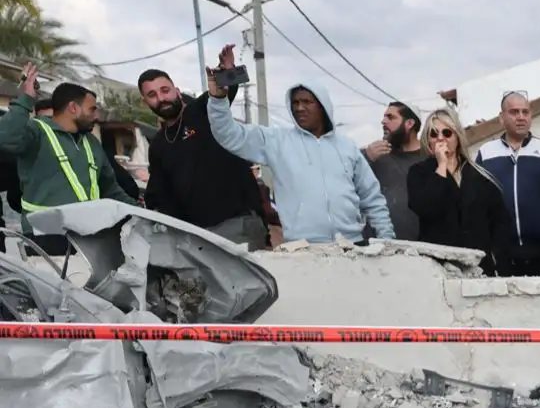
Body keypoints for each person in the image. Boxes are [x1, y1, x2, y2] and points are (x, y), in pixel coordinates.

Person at [207, 74, 392, 243]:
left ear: (322, 105)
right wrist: (218, 99)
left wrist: (386, 239)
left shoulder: (347, 146)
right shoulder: (278, 141)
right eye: (295, 103)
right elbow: (229, 134)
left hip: (352, 245)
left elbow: (371, 197)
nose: (299, 108)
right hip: (304, 250)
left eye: (306, 102)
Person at [140, 47, 269, 248]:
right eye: (152, 95)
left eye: (165, 90)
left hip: (238, 223)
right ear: (145, 101)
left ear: (177, 90)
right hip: (197, 236)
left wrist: (228, 70)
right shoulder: (157, 145)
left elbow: (223, 92)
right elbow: (159, 194)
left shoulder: (201, 111)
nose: (161, 98)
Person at [0, 63, 133, 254]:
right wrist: (25, 99)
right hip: (44, 240)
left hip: (90, 239)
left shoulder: (91, 143)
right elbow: (5, 137)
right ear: (73, 108)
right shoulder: (37, 132)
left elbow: (110, 189)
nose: (96, 115)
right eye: (92, 109)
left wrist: (140, 214)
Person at [472, 89, 540, 275]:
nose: (521, 117)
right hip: (502, 255)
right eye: (514, 112)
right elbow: (476, 204)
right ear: (501, 118)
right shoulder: (486, 153)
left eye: (525, 112)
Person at [406, 108, 505, 271]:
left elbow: (499, 223)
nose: (440, 138)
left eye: (446, 133)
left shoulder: (479, 175)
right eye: (433, 133)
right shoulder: (418, 172)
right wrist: (442, 165)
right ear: (427, 139)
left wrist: (499, 262)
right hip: (439, 266)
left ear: (457, 136)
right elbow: (425, 207)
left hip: (478, 266)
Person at [363, 100, 429, 241]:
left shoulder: (431, 158)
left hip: (422, 251)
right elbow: (342, 177)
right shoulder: (375, 155)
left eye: (390, 117)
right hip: (378, 249)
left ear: (410, 123)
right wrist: (365, 158)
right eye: (384, 117)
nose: (383, 121)